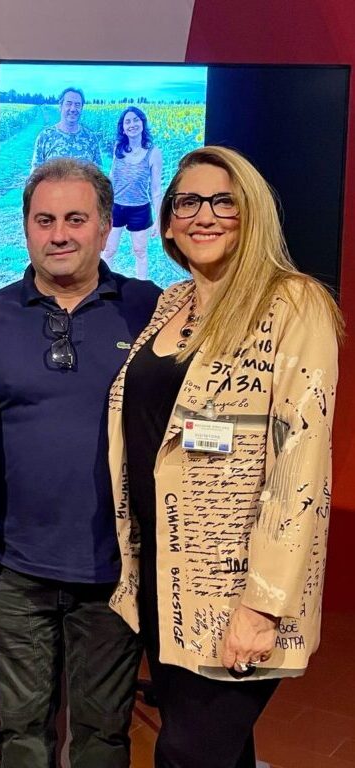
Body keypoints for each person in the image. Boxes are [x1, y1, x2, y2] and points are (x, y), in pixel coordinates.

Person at [108, 146, 342, 768]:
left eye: (223, 202)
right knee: (220, 751)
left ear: (253, 213)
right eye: (188, 201)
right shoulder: (172, 302)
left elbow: (300, 466)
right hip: (166, 574)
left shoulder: (294, 303)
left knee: (187, 753)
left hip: (237, 585)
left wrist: (262, 604)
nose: (203, 215)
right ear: (167, 220)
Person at [0, 158, 160, 768]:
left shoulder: (151, 309)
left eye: (76, 219)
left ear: (105, 227)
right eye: (44, 220)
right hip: (14, 568)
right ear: (25, 228)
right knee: (21, 735)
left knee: (104, 737)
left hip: (114, 570)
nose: (59, 234)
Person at [102, 107, 164, 279]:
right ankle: (103, 285)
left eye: (136, 120)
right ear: (123, 128)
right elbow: (112, 176)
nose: (132, 125)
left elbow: (156, 190)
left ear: (143, 123)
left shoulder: (154, 153)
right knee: (108, 250)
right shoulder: (118, 148)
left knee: (140, 251)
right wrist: (104, 204)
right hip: (116, 207)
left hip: (140, 210)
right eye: (127, 122)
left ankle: (141, 286)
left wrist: (158, 219)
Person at [31, 87, 103, 170]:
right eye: (69, 104)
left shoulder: (91, 139)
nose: (73, 109)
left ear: (82, 108)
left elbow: (98, 173)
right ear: (60, 106)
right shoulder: (45, 136)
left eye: (77, 105)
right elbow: (36, 173)